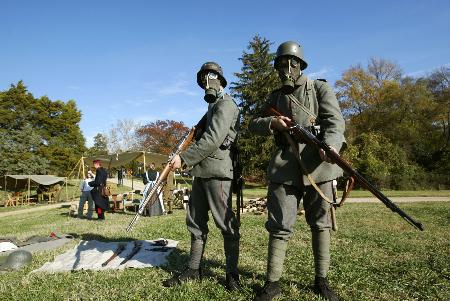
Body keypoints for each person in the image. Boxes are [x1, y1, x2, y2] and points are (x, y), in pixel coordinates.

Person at [249, 41, 346, 301]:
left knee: (320, 225)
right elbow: (253, 123)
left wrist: (332, 146)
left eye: (292, 63)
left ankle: (321, 280)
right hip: (284, 168)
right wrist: (273, 122)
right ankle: (272, 284)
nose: (287, 68)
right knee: (279, 226)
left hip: (319, 167)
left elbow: (335, 122)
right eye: (282, 64)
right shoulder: (274, 97)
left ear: (301, 64)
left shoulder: (319, 88)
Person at [163, 62, 241, 291]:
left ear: (220, 80)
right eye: (204, 78)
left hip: (217, 173)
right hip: (202, 172)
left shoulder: (226, 105)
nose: (208, 82)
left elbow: (213, 139)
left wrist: (184, 158)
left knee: (226, 224)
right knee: (196, 223)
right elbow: (198, 134)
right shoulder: (212, 108)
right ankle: (193, 269)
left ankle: (232, 274)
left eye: (212, 77)